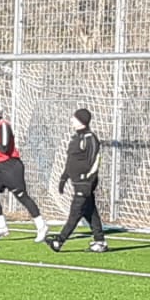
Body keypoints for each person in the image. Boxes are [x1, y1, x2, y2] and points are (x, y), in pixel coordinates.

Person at [0, 100, 46, 241]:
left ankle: (41, 226)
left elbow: (4, 148)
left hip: (12, 166)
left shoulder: (3, 126)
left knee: (22, 196)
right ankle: (1, 227)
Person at [47, 107, 110, 253]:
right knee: (89, 211)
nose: (71, 120)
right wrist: (64, 177)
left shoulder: (90, 138)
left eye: (74, 118)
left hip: (84, 183)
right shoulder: (76, 138)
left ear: (82, 121)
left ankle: (59, 241)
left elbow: (95, 161)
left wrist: (88, 179)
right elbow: (71, 161)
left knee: (75, 212)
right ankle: (100, 241)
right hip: (78, 183)